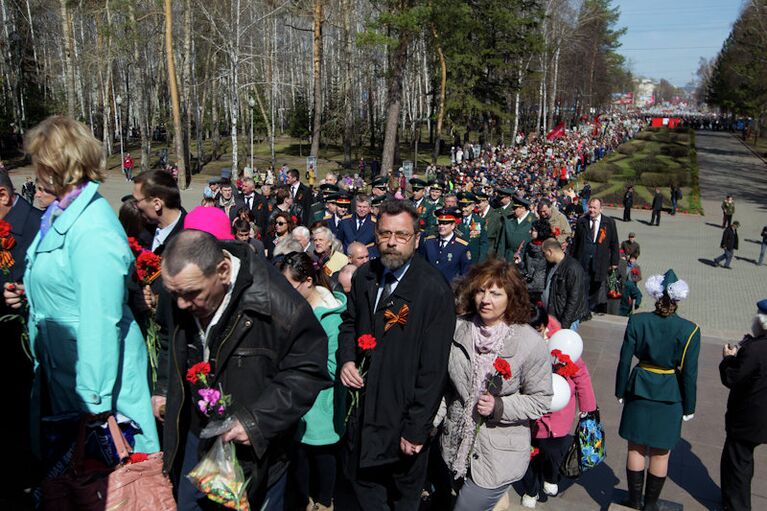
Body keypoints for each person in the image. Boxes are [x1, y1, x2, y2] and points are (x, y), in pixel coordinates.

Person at [3, 116, 159, 460]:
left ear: (57, 165)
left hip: (96, 390)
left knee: (107, 487)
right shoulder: (60, 214)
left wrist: (94, 407)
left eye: (39, 162)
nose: (36, 170)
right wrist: (29, 295)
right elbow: (70, 285)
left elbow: (100, 319)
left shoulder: (92, 229)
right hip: (68, 375)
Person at [158, 230, 331, 510]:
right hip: (194, 431)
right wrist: (164, 387)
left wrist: (255, 421)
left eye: (191, 294)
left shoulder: (279, 305)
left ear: (223, 271)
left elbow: (307, 370)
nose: (180, 304)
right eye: (174, 294)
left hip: (253, 452)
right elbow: (168, 335)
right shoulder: (184, 286)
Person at [338, 199, 456, 510]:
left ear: (417, 239)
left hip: (402, 416)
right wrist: (347, 359)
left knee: (403, 495)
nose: (392, 242)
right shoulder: (365, 276)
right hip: (364, 409)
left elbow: (433, 370)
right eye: (385, 233)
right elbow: (349, 322)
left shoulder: (433, 290)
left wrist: (417, 428)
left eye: (401, 235)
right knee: (364, 484)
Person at [439, 258, 552, 510]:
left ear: (511, 297)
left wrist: (499, 406)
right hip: (455, 445)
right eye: (481, 290)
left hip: (498, 453)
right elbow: (446, 388)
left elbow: (541, 399)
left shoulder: (528, 342)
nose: (485, 299)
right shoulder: (458, 329)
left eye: (495, 293)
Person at [615, 269, 700, 511]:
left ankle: (634, 500)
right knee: (661, 453)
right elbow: (690, 373)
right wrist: (689, 405)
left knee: (636, 446)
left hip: (639, 387)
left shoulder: (637, 321)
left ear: (655, 295)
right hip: (670, 394)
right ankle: (650, 504)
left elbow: (624, 360)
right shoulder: (690, 330)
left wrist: (620, 390)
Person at [277, 252, 346, 511]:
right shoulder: (295, 307)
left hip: (320, 402)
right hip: (296, 399)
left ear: (307, 281)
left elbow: (331, 367)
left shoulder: (331, 317)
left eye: (289, 286)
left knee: (321, 457)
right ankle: (305, 500)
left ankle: (324, 502)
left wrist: (295, 368)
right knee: (300, 458)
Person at [521, 305, 597, 509]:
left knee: (552, 451)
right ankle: (530, 489)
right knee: (527, 455)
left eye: (536, 329)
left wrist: (588, 408)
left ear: (544, 326)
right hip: (529, 410)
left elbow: (581, 375)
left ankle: (551, 476)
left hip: (558, 411)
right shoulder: (520, 343)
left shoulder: (562, 343)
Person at [719, 299, 767, 511]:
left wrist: (728, 359)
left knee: (737, 463)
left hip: (748, 419)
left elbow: (732, 378)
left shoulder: (756, 349)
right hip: (760, 419)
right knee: (742, 460)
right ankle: (732, 500)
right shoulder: (756, 348)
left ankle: (737, 506)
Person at [570, 198, 620, 312]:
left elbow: (614, 243)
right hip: (583, 262)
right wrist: (572, 260)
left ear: (601, 209)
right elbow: (575, 243)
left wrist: (614, 262)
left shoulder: (609, 223)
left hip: (600, 262)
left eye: (594, 208)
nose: (591, 210)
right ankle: (583, 310)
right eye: (590, 207)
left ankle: (591, 309)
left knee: (596, 288)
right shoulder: (581, 221)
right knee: (583, 286)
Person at [541, 238, 588, 330]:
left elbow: (574, 300)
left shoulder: (573, 268)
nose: (543, 256)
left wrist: (564, 325)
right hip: (553, 316)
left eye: (544, 253)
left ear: (550, 251)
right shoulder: (551, 265)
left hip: (566, 319)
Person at [420, 206, 472, 283]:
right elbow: (422, 266)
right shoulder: (429, 242)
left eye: (445, 223)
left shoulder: (462, 246)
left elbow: (465, 273)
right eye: (440, 223)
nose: (441, 226)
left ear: (453, 225)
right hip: (430, 288)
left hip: (450, 290)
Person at [519, 219, 552, 303]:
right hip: (527, 287)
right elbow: (526, 268)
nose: (530, 232)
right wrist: (519, 263)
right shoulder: (529, 245)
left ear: (540, 232)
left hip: (540, 289)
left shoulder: (548, 249)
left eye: (533, 230)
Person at [496, 196, 534, 263]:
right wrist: (499, 260)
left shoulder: (533, 221)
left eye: (515, 208)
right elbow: (502, 243)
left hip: (523, 259)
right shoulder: (509, 220)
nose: (513, 210)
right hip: (508, 258)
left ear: (523, 208)